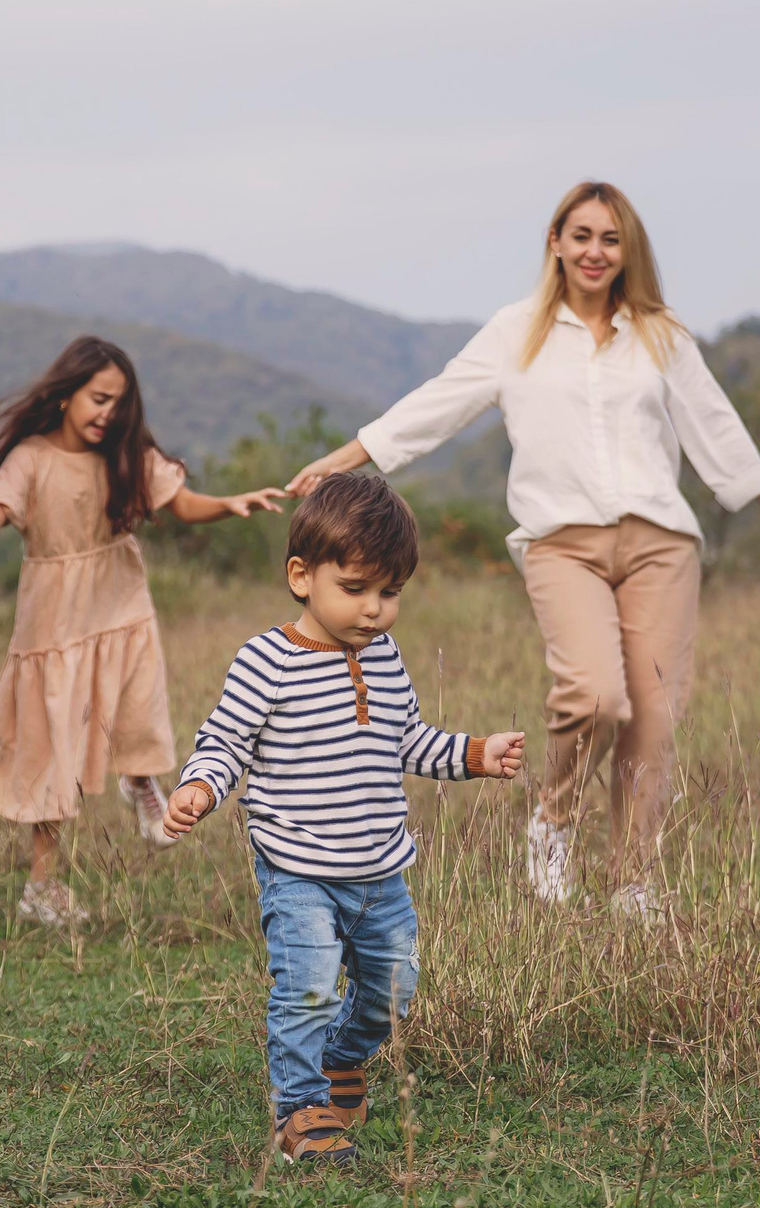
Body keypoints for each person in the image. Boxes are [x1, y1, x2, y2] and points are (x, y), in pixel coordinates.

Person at [287, 180, 760, 920]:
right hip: (561, 540)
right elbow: (437, 405)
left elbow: (715, 426)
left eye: (611, 237)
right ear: (555, 243)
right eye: (583, 235)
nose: (596, 251)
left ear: (628, 250)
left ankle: (631, 880)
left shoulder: (661, 333)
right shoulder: (516, 331)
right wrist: (347, 459)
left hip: (661, 543)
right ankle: (553, 819)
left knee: (653, 720)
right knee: (596, 695)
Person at [163, 474, 526, 1165]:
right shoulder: (267, 661)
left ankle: (341, 1059)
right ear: (302, 576)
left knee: (396, 990)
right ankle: (301, 1111)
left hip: (380, 870)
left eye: (389, 593)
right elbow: (225, 741)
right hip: (298, 866)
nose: (373, 610)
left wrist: (476, 753)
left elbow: (409, 740)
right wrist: (201, 788)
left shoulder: (384, 658)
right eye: (354, 588)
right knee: (305, 985)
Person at [0, 337, 284, 925]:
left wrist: (233, 502)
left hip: (119, 602)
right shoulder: (31, 457)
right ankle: (42, 886)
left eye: (119, 403)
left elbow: (182, 504)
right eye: (99, 399)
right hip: (54, 622)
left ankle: (141, 782)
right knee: (53, 750)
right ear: (65, 395)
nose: (108, 413)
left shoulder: (125, 454)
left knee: (138, 700)